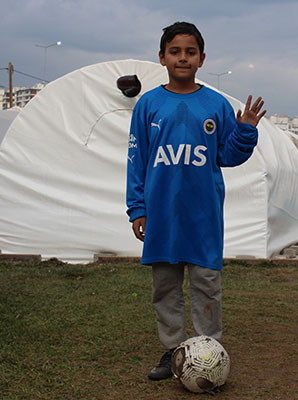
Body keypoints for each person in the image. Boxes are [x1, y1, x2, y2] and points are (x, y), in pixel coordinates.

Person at [126, 21, 266, 381]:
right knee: (165, 287)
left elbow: (229, 155)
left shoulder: (215, 104)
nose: (182, 58)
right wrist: (138, 208)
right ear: (162, 57)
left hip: (203, 216)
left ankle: (209, 352)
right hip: (160, 216)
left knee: (206, 284)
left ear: (202, 58)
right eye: (175, 51)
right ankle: (174, 352)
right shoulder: (148, 105)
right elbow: (136, 161)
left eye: (190, 52)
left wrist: (246, 129)